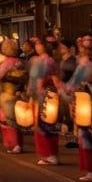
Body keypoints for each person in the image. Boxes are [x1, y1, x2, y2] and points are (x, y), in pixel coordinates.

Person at [65, 33, 92, 182]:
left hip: (90, 103)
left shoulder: (88, 63)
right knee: (91, 137)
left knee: (88, 137)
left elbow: (74, 84)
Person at [27, 37, 60, 166]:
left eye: (39, 44)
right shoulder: (50, 60)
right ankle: (50, 154)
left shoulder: (44, 61)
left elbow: (40, 80)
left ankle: (48, 154)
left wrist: (36, 91)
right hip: (49, 94)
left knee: (43, 125)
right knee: (48, 125)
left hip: (43, 94)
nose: (37, 47)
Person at [0, 39, 28, 155]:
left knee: (7, 119)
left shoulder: (6, 63)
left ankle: (13, 144)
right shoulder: (21, 62)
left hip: (7, 92)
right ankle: (19, 143)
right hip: (18, 93)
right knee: (16, 118)